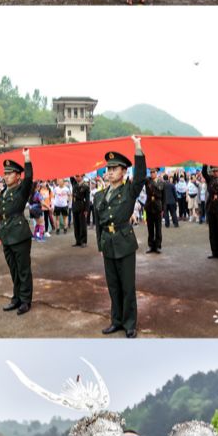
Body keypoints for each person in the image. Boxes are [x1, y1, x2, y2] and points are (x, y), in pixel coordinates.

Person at [94, 138, 147, 338]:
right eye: (108, 169)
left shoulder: (128, 190)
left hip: (124, 243)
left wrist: (138, 148)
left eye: (114, 168)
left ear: (124, 171)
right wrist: (100, 245)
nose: (110, 172)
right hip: (108, 244)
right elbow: (98, 223)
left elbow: (141, 177)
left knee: (127, 286)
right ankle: (116, 321)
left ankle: (130, 323)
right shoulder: (99, 195)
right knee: (113, 286)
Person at [0, 151, 34, 316]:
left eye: (9, 173)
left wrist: (27, 159)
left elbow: (29, 179)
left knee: (23, 269)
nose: (6, 176)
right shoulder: (2, 193)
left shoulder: (21, 190)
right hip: (6, 235)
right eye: (4, 173)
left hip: (19, 235)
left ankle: (25, 300)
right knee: (13, 269)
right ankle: (16, 297)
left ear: (18, 176)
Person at [145, 169, 164, 254]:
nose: (152, 174)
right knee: (150, 228)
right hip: (149, 206)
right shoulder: (148, 180)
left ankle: (157, 246)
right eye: (151, 172)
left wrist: (163, 209)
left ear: (157, 172)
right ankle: (151, 246)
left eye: (154, 172)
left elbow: (164, 197)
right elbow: (142, 176)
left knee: (158, 228)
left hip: (157, 207)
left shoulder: (161, 182)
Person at [71, 175, 90, 247]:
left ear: (82, 176)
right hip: (75, 206)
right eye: (75, 176)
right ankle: (78, 241)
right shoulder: (74, 184)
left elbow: (87, 199)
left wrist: (86, 209)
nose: (76, 177)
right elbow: (71, 176)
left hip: (82, 206)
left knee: (82, 225)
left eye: (78, 176)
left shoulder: (86, 186)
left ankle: (83, 241)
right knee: (76, 225)